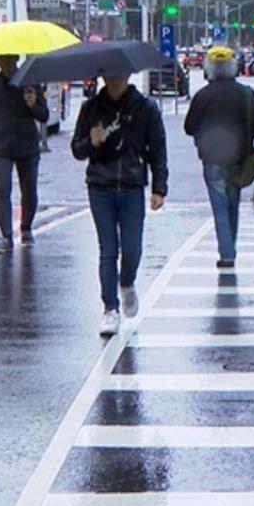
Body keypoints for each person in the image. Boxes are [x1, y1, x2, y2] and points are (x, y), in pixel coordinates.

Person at [71, 72, 169, 337]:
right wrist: (92, 142)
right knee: (107, 249)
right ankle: (109, 309)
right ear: (103, 77)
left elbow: (158, 148)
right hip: (100, 186)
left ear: (127, 76)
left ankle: (127, 282)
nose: (114, 81)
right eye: (110, 77)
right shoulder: (91, 108)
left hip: (131, 185)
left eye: (119, 76)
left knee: (132, 247)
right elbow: (77, 149)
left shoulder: (144, 108)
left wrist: (159, 187)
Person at [184, 46, 254, 268]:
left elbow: (189, 127)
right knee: (232, 203)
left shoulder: (202, 96)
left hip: (212, 159)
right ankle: (230, 248)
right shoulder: (246, 93)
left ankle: (227, 253)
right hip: (239, 157)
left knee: (219, 205)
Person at [0, 55, 48, 254]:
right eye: (3, 61)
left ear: (16, 60)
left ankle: (26, 227)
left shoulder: (31, 84)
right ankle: (6, 235)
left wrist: (33, 104)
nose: (8, 65)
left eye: (11, 61)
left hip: (27, 145)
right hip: (1, 146)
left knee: (29, 190)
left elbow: (44, 115)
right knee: (2, 189)